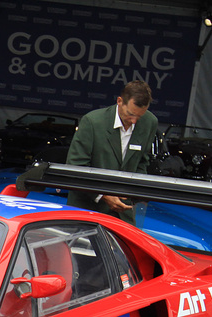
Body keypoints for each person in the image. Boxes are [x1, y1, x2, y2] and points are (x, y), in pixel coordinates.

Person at [65, 80, 158, 224]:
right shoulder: (92, 122)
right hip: (86, 211)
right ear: (119, 101)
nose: (134, 121)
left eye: (139, 116)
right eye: (130, 114)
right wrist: (103, 195)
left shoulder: (150, 122)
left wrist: (131, 195)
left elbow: (142, 163)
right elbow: (76, 166)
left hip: (123, 213)